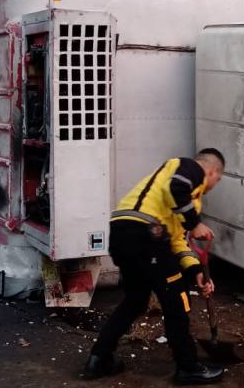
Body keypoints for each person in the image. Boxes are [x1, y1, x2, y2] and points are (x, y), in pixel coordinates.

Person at [83, 148, 226, 385]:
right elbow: (178, 187)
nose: (213, 184)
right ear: (212, 171)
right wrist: (196, 224)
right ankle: (188, 367)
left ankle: (99, 358)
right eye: (217, 180)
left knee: (135, 301)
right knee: (177, 301)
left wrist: (196, 272)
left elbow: (178, 242)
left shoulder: (179, 200)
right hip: (146, 233)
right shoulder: (190, 168)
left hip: (123, 234)